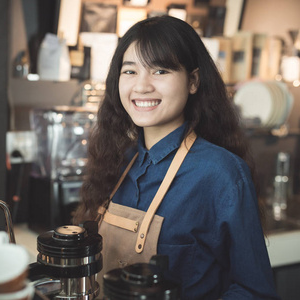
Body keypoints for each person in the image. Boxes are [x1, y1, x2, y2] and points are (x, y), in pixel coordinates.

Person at [73, 15, 279, 299]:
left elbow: (254, 291)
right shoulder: (117, 162)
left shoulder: (221, 173)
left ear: (193, 81)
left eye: (160, 71)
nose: (142, 86)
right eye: (130, 71)